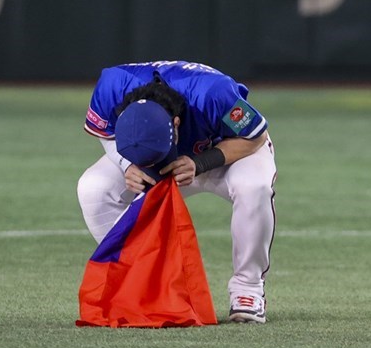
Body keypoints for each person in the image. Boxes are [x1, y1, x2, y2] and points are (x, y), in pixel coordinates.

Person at [76, 60, 276, 323]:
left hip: (225, 151)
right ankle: (148, 280)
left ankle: (247, 289)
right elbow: (105, 134)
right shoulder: (112, 85)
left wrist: (202, 162)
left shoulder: (213, 93)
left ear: (177, 123)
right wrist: (127, 164)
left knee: (254, 187)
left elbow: (254, 137)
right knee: (93, 188)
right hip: (154, 161)